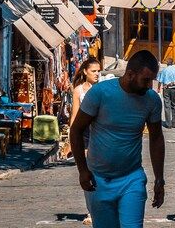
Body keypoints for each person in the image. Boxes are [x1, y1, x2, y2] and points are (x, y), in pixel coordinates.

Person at [70, 50, 165, 228]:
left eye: (152, 80)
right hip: (99, 180)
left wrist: (159, 179)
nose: (149, 86)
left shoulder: (151, 100)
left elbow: (157, 138)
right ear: (130, 74)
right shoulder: (100, 93)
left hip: (132, 179)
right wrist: (82, 170)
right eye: (145, 80)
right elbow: (76, 130)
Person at [70, 57, 102, 226]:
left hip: (102, 135)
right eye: (93, 71)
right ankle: (91, 211)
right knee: (87, 172)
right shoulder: (79, 91)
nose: (97, 74)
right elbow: (74, 117)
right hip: (86, 135)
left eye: (98, 71)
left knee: (102, 173)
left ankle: (103, 208)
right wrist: (71, 138)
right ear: (85, 72)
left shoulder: (104, 89)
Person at [156, 57, 175, 129]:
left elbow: (160, 80)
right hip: (174, 89)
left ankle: (168, 124)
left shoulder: (164, 70)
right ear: (172, 63)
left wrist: (158, 88)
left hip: (166, 89)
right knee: (174, 105)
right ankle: (174, 122)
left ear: (167, 63)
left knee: (167, 106)